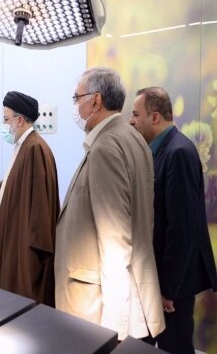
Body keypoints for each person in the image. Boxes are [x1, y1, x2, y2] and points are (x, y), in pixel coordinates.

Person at [55, 67, 165, 341]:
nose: (75, 105)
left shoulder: (105, 147)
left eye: (77, 97)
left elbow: (115, 240)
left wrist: (113, 329)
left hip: (94, 302)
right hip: (125, 287)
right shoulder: (134, 139)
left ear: (95, 101)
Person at [130, 87, 217, 353]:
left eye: (136, 114)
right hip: (159, 279)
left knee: (175, 346)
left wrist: (168, 289)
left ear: (155, 117)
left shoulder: (178, 152)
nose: (131, 121)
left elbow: (181, 229)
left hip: (172, 285)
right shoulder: (160, 151)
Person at [0, 91, 59, 307]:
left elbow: (39, 207)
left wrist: (30, 256)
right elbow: (13, 188)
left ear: (19, 120)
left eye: (6, 119)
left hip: (26, 250)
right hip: (18, 242)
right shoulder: (24, 147)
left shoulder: (34, 148)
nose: (4, 125)